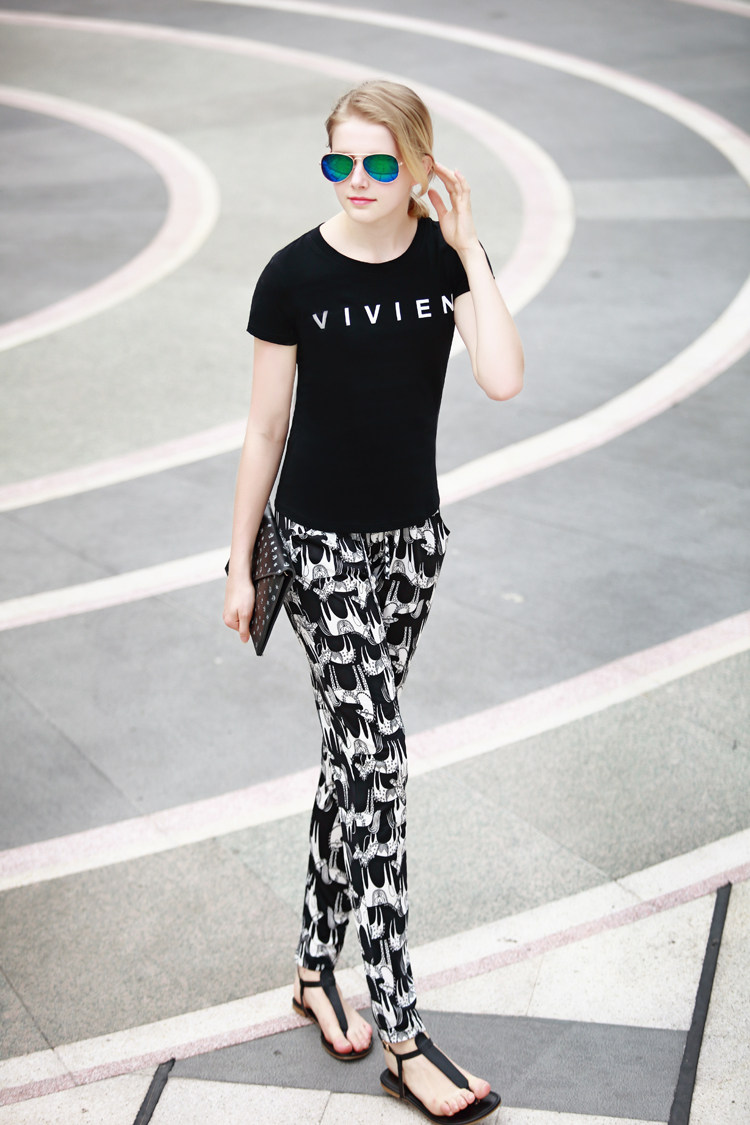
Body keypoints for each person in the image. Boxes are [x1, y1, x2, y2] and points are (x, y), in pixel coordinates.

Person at [223, 79, 523, 1122]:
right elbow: (264, 430)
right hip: (319, 552)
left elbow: (502, 377)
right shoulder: (291, 276)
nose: (357, 180)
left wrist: (471, 247)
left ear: (421, 168)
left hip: (410, 548)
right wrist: (239, 563)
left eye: (380, 163)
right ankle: (403, 1036)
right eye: (338, 162)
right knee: (382, 764)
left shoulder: (444, 263)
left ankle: (315, 966)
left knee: (351, 757)